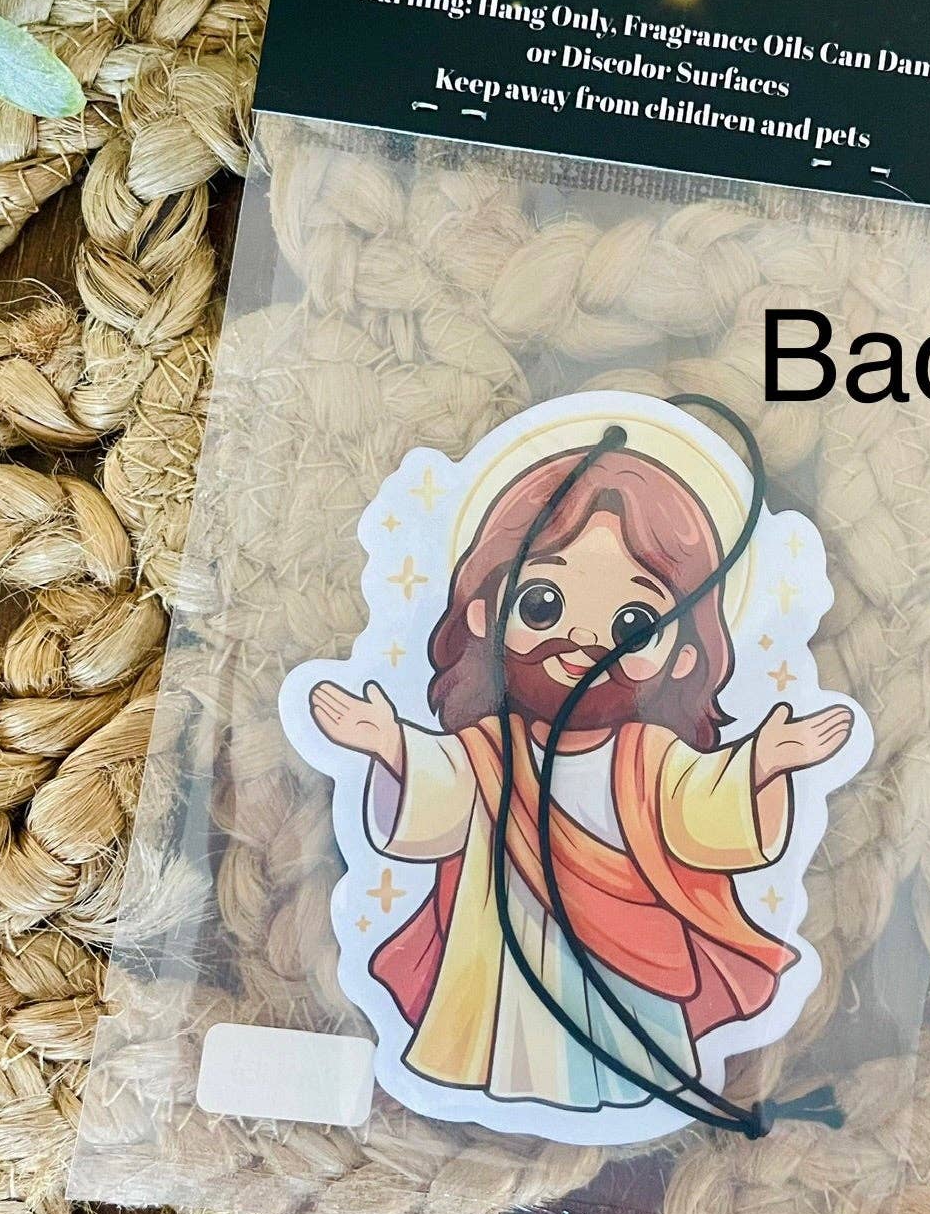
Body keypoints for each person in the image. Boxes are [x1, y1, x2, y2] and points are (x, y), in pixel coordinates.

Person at [307, 443, 852, 1117]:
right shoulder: (491, 750)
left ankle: (626, 1085)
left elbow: (703, 816)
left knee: (627, 1059)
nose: (585, 642)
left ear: (684, 655)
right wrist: (390, 745)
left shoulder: (650, 757)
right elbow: (441, 795)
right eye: (543, 604)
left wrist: (763, 763)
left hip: (628, 965)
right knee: (514, 1027)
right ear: (483, 613)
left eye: (633, 624)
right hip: (502, 953)